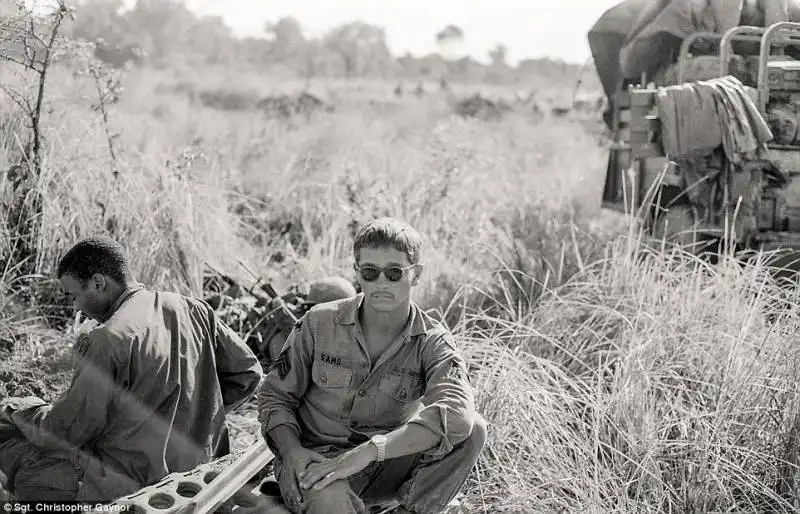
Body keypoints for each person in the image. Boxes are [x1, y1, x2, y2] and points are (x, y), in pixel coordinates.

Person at [0, 237, 264, 503]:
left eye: (75, 296)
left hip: (133, 484)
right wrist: (198, 416)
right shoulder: (193, 308)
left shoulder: (106, 339)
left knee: (10, 443)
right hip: (200, 471)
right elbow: (248, 373)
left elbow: (68, 431)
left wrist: (19, 408)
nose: (76, 307)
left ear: (99, 283)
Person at [258, 217, 488, 514]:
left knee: (474, 431)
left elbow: (457, 414)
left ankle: (406, 509)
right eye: (370, 272)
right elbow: (274, 395)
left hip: (383, 461)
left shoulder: (432, 341)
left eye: (394, 273)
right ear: (358, 273)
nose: (381, 283)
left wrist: (371, 450)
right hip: (317, 463)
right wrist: (291, 453)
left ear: (416, 274)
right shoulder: (318, 323)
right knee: (330, 501)